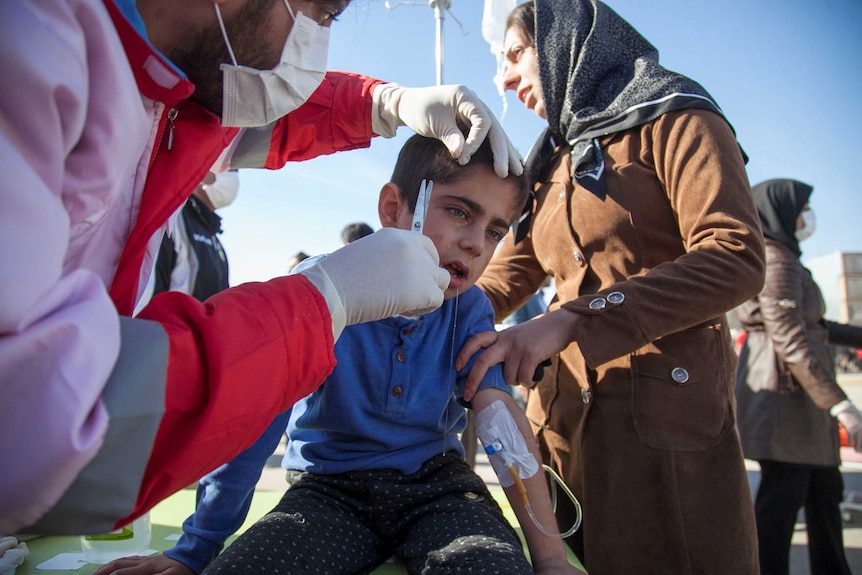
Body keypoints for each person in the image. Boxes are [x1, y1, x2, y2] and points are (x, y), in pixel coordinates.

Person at [0, 0, 523, 535]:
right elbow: (27, 431)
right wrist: (320, 304)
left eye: (497, 230)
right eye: (323, 12)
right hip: (316, 493)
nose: (315, 43)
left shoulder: (170, 85)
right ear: (392, 208)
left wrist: (382, 103)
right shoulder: (27, 55)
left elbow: (245, 116)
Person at [97, 132, 581, 575]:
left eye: (496, 231)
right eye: (459, 212)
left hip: (440, 489)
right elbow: (258, 427)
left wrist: (552, 561)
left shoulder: (467, 309)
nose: (476, 243)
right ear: (393, 207)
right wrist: (194, 550)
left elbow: (500, 424)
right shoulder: (325, 292)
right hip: (330, 490)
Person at [457, 1, 766, 573]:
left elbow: (735, 256)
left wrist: (575, 317)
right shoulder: (552, 159)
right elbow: (506, 275)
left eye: (517, 53)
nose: (503, 78)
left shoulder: (676, 115)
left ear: (563, 41)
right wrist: (425, 298)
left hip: (663, 429)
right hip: (560, 426)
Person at [734, 178, 862, 575]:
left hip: (798, 401)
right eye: (803, 208)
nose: (808, 217)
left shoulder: (785, 256)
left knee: (824, 494)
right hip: (785, 400)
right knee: (780, 506)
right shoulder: (777, 260)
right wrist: (839, 402)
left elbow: (814, 324)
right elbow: (788, 333)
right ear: (782, 212)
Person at [152, 171, 238, 302]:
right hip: (161, 321)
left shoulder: (215, 239)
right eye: (229, 169)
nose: (233, 176)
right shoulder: (171, 220)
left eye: (235, 170)